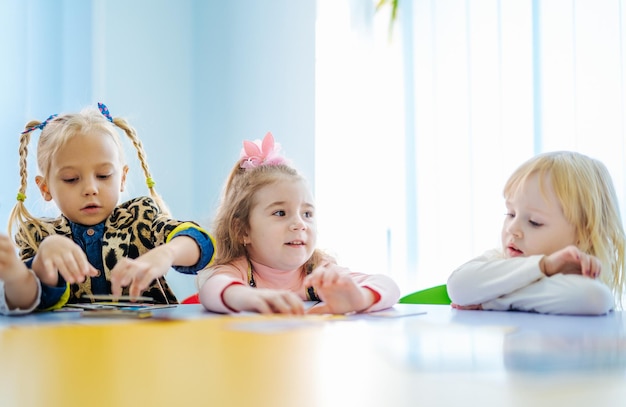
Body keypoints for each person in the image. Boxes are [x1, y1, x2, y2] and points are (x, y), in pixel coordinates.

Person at [1, 103, 215, 315]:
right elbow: (23, 301)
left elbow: (201, 242)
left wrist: (167, 253)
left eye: (103, 175)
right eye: (71, 179)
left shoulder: (140, 218)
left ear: (122, 178)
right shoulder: (39, 237)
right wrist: (26, 271)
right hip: (71, 345)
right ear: (45, 187)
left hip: (145, 342)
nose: (90, 189)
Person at [197, 132, 400, 314]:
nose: (299, 224)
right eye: (280, 212)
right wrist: (250, 298)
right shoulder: (238, 270)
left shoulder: (320, 271)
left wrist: (359, 299)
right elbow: (211, 289)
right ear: (242, 230)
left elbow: (388, 286)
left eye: (307, 214)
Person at [447, 151, 625, 315]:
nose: (512, 229)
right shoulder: (499, 260)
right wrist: (544, 265)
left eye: (534, 222)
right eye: (510, 214)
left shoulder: (581, 275)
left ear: (584, 236)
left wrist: (493, 299)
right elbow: (457, 287)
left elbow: (593, 298)